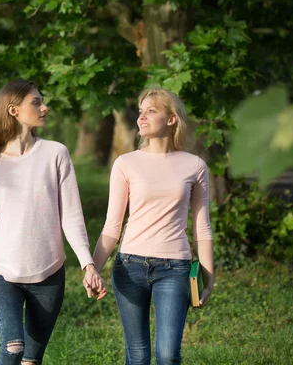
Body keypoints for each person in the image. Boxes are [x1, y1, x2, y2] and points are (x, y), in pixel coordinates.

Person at [0, 79, 106, 365]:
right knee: (13, 347)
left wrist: (88, 265)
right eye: (36, 102)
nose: (44, 107)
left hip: (49, 274)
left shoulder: (55, 153)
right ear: (13, 110)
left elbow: (71, 217)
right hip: (3, 274)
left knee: (31, 360)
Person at [90, 88, 215, 365]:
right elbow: (112, 225)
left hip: (175, 268)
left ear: (171, 119)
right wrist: (93, 269)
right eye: (141, 111)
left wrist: (209, 278)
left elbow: (202, 227)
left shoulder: (194, 166)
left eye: (151, 111)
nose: (141, 117)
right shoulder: (126, 163)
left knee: (168, 355)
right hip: (129, 266)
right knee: (137, 355)